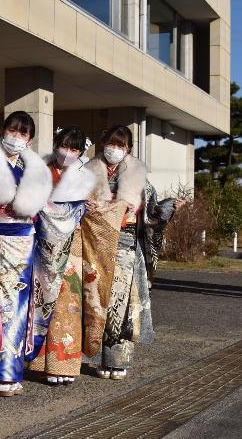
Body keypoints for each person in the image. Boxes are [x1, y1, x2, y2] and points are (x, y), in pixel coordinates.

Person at [0, 111, 53, 396]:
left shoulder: (35, 169)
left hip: (24, 244)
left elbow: (42, 211)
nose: (16, 138)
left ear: (30, 139)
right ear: (3, 130)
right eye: (12, 131)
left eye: (23, 134)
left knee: (17, 307)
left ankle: (9, 369)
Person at [83, 125, 164, 381]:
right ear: (101, 144)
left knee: (122, 303)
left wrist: (164, 211)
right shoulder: (86, 173)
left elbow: (152, 216)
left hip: (126, 244)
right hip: (95, 243)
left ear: (128, 148)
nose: (115, 149)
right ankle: (96, 354)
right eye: (111, 143)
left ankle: (117, 360)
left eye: (121, 145)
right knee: (97, 300)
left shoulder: (139, 178)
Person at [28, 126, 97, 386]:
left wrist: (90, 208)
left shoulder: (85, 177)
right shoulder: (39, 171)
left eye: (74, 149)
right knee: (42, 299)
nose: (67, 153)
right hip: (43, 244)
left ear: (80, 152)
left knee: (68, 305)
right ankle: (38, 362)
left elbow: (97, 209)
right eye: (64, 146)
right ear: (55, 143)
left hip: (72, 245)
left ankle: (64, 365)